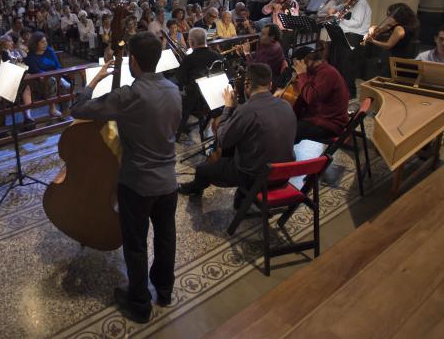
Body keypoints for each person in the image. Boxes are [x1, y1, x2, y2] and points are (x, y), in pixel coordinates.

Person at [70, 32, 181, 323]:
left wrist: (94, 80)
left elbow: (78, 109)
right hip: (169, 180)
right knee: (167, 237)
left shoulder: (129, 95)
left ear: (133, 60)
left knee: (135, 244)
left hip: (138, 183)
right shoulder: (174, 89)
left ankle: (140, 304)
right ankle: (166, 290)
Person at [177, 63, 296, 205]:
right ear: (270, 85)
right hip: (284, 174)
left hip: (256, 177)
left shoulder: (247, 110)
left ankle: (195, 188)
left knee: (202, 169)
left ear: (247, 85)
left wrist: (228, 108)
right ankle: (242, 197)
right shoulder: (286, 105)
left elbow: (222, 140)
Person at [280, 46, 350, 143]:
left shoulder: (327, 73)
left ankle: (284, 155)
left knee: (290, 130)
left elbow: (310, 97)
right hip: (320, 115)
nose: (295, 68)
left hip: (330, 123)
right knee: (287, 123)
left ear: (304, 62)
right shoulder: (316, 70)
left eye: (296, 64)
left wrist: (301, 74)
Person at [175, 28, 223, 138]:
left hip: (196, 100)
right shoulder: (217, 55)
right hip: (215, 98)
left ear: (191, 42)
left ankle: (178, 129)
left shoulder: (189, 59)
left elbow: (180, 78)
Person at [328, 0, 372, 98]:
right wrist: (333, 10)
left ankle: (349, 93)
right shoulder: (351, 2)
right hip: (344, 34)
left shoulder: (361, 4)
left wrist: (339, 17)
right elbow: (340, 7)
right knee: (338, 63)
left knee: (347, 66)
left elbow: (357, 23)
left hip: (354, 36)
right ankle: (338, 90)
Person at [362, 2, 420, 77]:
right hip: (401, 58)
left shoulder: (399, 29)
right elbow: (379, 29)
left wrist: (372, 41)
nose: (387, 17)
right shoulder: (407, 25)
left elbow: (388, 45)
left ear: (398, 16)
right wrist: (373, 28)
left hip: (396, 60)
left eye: (389, 15)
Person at [24, 32, 65, 117]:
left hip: (56, 75)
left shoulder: (49, 51)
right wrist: (51, 75)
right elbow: (36, 71)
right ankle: (52, 108)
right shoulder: (30, 57)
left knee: (66, 86)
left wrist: (58, 74)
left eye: (46, 41)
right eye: (42, 42)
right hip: (39, 80)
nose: (45, 43)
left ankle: (66, 111)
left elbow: (58, 65)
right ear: (35, 43)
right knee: (52, 80)